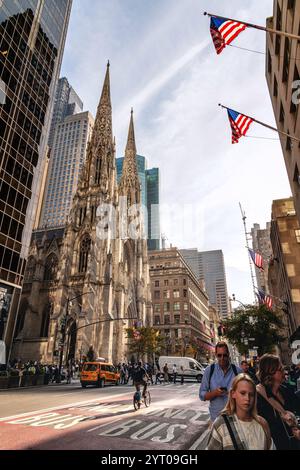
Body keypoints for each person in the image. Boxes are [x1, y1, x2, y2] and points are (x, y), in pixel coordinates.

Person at [206, 373, 274, 450]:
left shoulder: (262, 424)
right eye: (243, 393)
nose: (247, 398)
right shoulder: (221, 424)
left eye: (251, 394)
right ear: (233, 394)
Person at [256, 354, 300, 450]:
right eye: (280, 369)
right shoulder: (258, 397)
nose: (283, 371)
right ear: (270, 372)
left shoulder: (286, 390)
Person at [199, 341, 242, 422]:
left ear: (228, 354)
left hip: (235, 417)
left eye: (224, 355)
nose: (222, 358)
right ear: (216, 355)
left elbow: (244, 393)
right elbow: (202, 395)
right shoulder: (209, 370)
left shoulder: (237, 371)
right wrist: (215, 393)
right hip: (216, 418)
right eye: (219, 355)